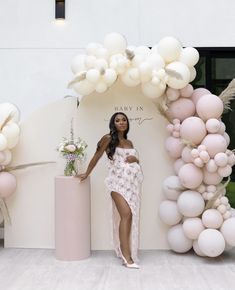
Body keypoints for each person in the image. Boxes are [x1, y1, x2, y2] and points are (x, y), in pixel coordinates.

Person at [77, 112, 143, 269]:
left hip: (131, 185)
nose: (121, 122)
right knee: (125, 214)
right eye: (118, 120)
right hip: (116, 183)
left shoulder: (129, 141)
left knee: (130, 216)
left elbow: (133, 160)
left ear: (127, 123)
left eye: (124, 120)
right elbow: (96, 156)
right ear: (113, 124)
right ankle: (127, 257)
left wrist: (136, 159)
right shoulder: (108, 138)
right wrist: (87, 173)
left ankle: (126, 253)